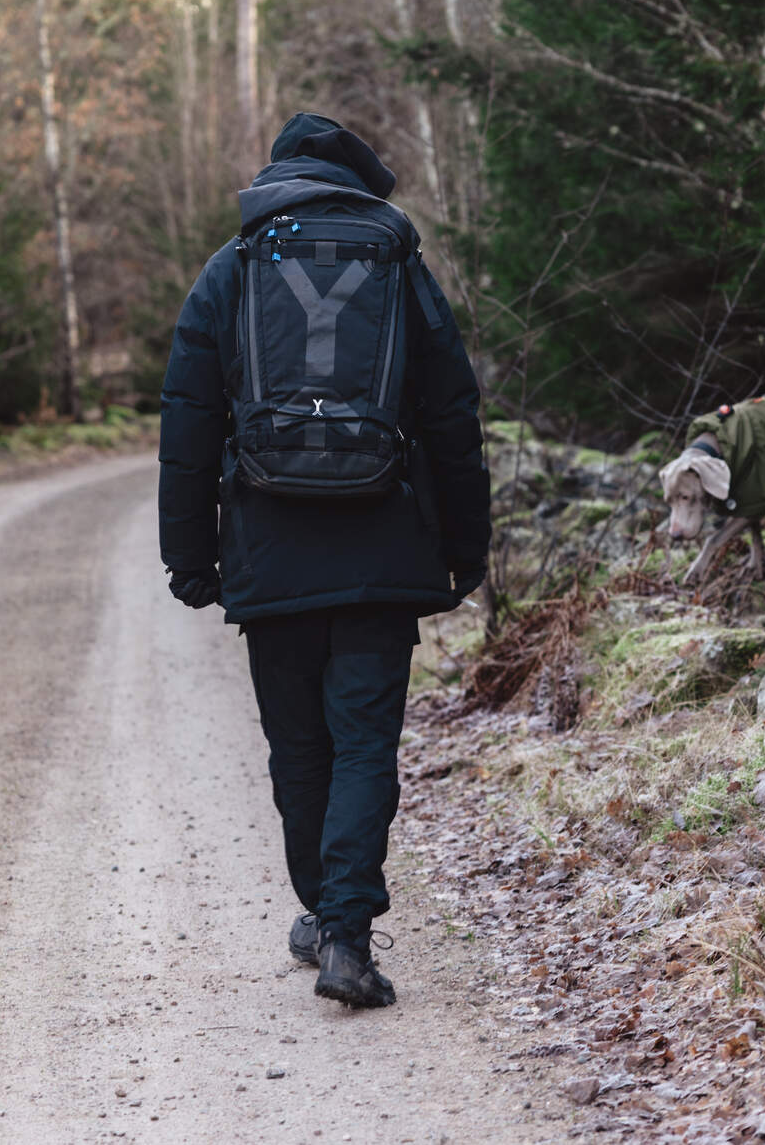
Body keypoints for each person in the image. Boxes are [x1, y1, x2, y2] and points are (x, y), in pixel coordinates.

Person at [158, 113, 490, 1008]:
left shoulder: (229, 273)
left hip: (270, 552)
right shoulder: (398, 268)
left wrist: (189, 556)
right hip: (384, 545)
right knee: (363, 745)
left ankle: (325, 913)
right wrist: (467, 544)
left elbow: (187, 427)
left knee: (300, 749)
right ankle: (345, 934)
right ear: (353, 182)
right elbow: (453, 416)